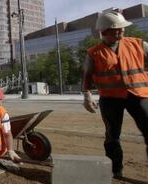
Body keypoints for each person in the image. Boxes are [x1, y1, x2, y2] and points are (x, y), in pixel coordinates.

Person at [82, 10, 148, 179]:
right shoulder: (94, 52)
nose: (122, 31)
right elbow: (87, 75)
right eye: (118, 29)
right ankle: (115, 170)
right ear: (105, 31)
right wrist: (87, 95)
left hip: (139, 95)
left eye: (122, 28)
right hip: (110, 99)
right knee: (112, 136)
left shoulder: (138, 44)